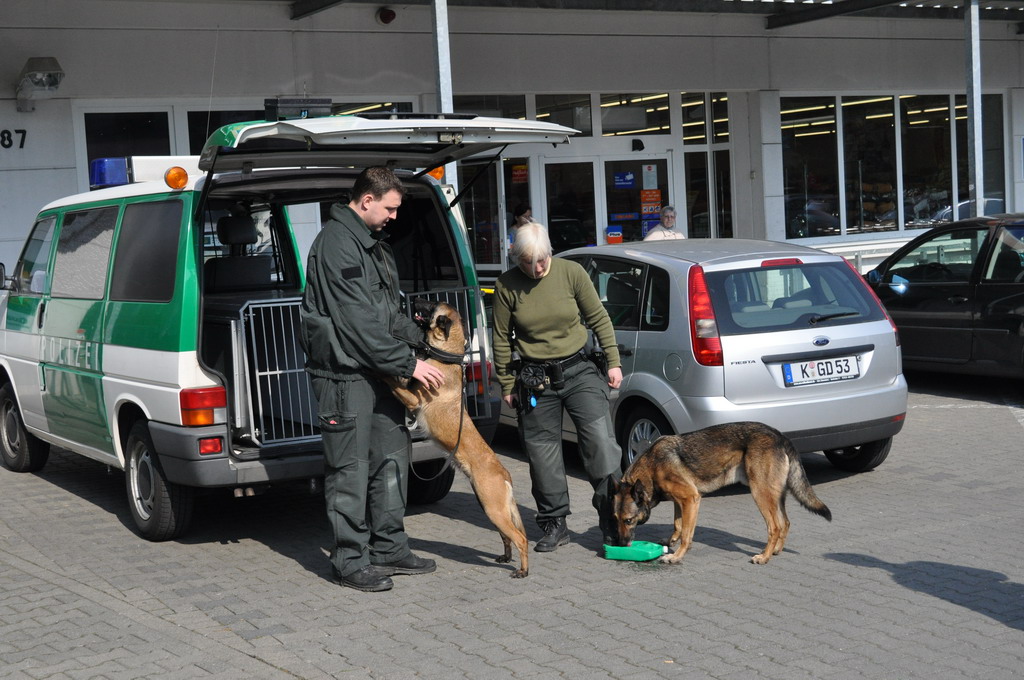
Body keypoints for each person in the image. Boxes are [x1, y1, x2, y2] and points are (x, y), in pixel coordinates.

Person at [300, 166, 446, 592]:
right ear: (367, 201)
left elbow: (387, 313)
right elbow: (358, 324)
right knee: (349, 468)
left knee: (391, 459)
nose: (394, 217)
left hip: (379, 371)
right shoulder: (337, 245)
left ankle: (389, 547)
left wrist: (423, 342)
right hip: (345, 375)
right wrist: (409, 364)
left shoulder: (372, 244)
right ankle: (348, 560)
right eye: (390, 208)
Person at [491, 222, 624, 551]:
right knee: (542, 452)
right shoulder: (507, 285)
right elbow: (501, 340)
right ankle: (554, 523)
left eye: (540, 260)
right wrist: (507, 383)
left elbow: (598, 317)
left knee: (601, 444)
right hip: (536, 380)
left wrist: (613, 361)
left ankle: (612, 518)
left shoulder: (571, 272)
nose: (535, 268)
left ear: (549, 253)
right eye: (525, 262)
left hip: (578, 370)